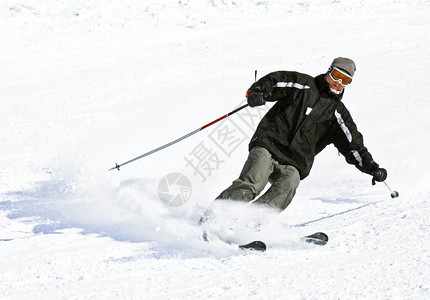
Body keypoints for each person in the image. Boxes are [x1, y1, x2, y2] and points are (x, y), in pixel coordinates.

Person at [214, 57, 387, 211]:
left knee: (288, 185)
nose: (338, 83)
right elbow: (276, 80)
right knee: (254, 182)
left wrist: (372, 167)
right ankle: (217, 216)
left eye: (345, 80)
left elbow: (353, 145)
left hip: (295, 161)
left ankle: (250, 224)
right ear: (329, 71)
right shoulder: (303, 85)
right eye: (336, 76)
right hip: (269, 144)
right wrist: (258, 91)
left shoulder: (337, 114)